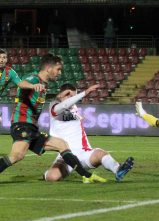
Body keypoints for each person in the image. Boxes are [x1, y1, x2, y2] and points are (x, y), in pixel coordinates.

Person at [0, 53, 104, 183]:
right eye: (58, 69)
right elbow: (23, 84)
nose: (59, 72)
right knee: (16, 155)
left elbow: (39, 96)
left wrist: (58, 96)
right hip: (22, 124)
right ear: (49, 68)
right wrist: (32, 86)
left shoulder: (43, 84)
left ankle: (86, 176)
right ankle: (86, 176)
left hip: (31, 127)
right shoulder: (34, 78)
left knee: (61, 144)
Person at [44, 83, 134, 182]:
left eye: (75, 96)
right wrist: (85, 93)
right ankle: (46, 174)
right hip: (65, 155)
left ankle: (118, 169)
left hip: (83, 152)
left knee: (100, 154)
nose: (74, 99)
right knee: (52, 177)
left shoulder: (73, 108)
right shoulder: (54, 107)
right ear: (63, 94)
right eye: (72, 96)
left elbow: (67, 107)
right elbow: (62, 105)